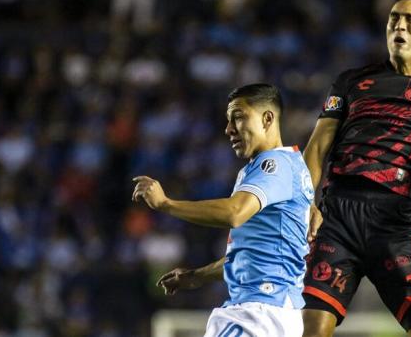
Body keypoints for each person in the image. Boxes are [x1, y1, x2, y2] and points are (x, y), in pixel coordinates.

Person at [302, 0, 411, 337]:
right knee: (312, 330)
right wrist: (306, 203)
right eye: (394, 18)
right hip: (337, 218)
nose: (400, 26)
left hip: (395, 223)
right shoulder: (350, 81)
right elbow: (316, 148)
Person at [132, 83, 313, 337]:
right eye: (228, 120)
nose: (228, 129)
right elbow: (251, 255)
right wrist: (196, 277)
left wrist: (166, 204)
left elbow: (234, 213)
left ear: (267, 118)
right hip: (269, 312)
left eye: (238, 118)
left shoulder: (274, 165)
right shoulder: (280, 166)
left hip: (260, 313)